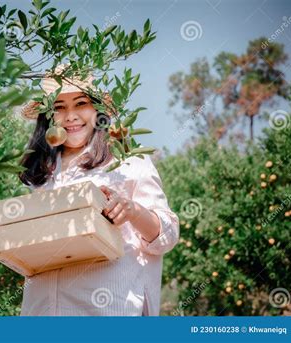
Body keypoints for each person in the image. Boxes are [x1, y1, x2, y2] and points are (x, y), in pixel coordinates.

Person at [17, 64, 179, 316]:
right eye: (59, 107)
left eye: (80, 103)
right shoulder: (43, 174)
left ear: (97, 109)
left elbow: (167, 237)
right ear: (48, 116)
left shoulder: (128, 162)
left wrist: (133, 211)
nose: (70, 116)